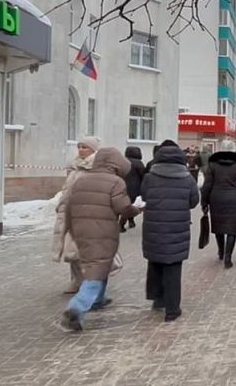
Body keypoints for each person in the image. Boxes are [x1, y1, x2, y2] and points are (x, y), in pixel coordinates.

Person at [60, 147, 140, 332]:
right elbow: (123, 208)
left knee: (98, 264)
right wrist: (137, 209)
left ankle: (98, 299)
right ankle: (76, 309)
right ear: (116, 164)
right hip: (102, 232)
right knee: (97, 268)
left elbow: (68, 207)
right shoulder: (115, 182)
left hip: (80, 231)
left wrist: (70, 230)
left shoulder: (81, 181)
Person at [140, 145, 200, 322]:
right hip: (177, 229)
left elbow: (144, 196)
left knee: (156, 261)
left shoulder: (149, 178)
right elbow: (194, 201)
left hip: (154, 227)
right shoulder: (188, 179)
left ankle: (158, 300)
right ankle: (172, 310)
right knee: (173, 267)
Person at [52, 136, 101, 294]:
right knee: (71, 249)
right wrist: (61, 204)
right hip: (70, 212)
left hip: (86, 214)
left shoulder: (96, 167)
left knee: (82, 250)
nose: (81, 150)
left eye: (85, 147)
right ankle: (76, 280)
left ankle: (89, 283)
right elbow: (68, 189)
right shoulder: (76, 166)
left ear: (93, 150)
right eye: (79, 146)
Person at [200, 148, 236, 269]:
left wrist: (204, 202)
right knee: (232, 229)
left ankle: (221, 252)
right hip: (235, 199)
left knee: (219, 227)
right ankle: (228, 257)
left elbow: (207, 185)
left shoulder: (212, 165)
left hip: (216, 199)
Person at [121, 146, 146, 233]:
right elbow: (143, 175)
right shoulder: (139, 163)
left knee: (127, 206)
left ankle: (130, 221)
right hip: (135, 188)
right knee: (132, 206)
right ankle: (121, 224)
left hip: (122, 187)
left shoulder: (122, 162)